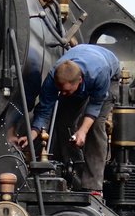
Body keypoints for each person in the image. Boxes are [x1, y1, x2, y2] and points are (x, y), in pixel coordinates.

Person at [21, 43, 121, 192]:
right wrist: (33, 134)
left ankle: (93, 186)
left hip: (109, 75)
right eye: (60, 90)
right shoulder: (52, 79)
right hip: (83, 67)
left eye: (67, 91)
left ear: (79, 81)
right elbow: (44, 111)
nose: (63, 94)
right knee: (63, 122)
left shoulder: (99, 73)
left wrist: (82, 131)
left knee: (95, 126)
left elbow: (95, 105)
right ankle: (73, 171)